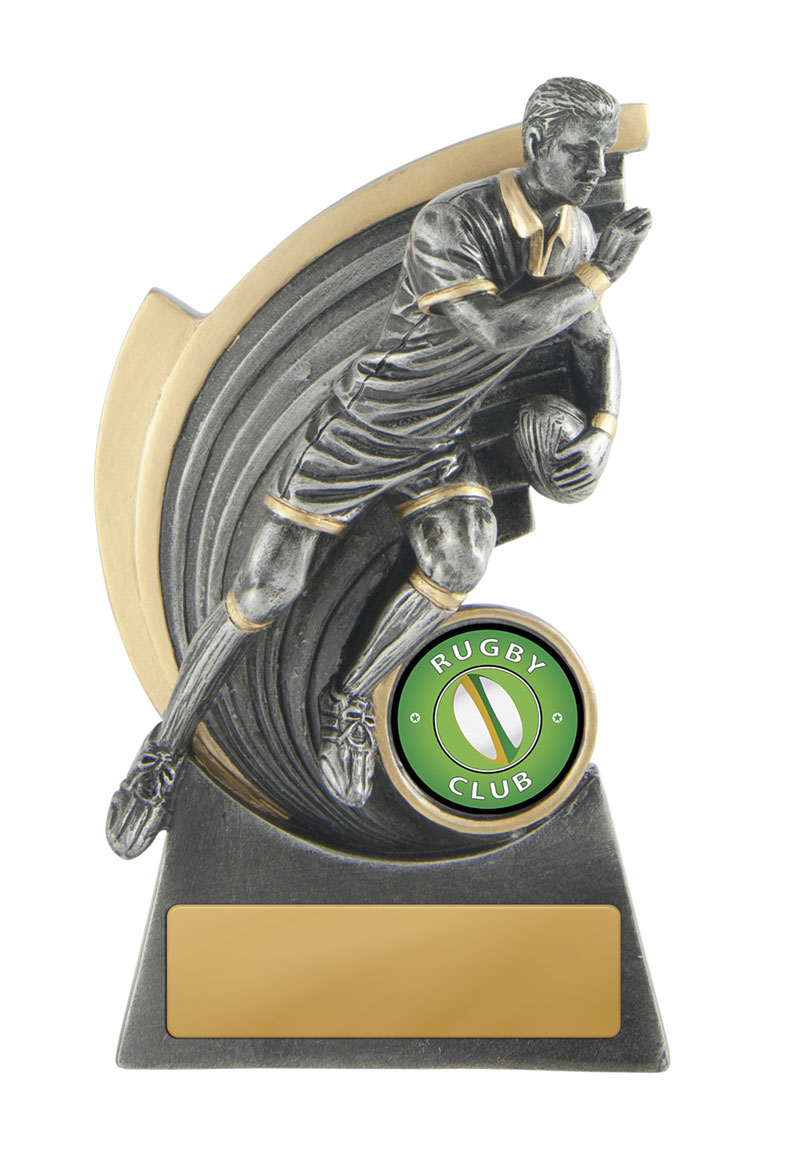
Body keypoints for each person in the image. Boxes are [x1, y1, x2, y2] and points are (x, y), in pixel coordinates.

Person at [107, 76, 651, 858]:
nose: (595, 169)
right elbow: (496, 329)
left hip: (439, 438)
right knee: (266, 590)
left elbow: (594, 341)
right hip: (363, 428)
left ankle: (349, 698)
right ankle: (165, 747)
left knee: (461, 557)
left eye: (603, 153)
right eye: (580, 150)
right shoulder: (452, 222)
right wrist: (601, 275)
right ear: (535, 142)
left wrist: (601, 428)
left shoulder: (574, 233)